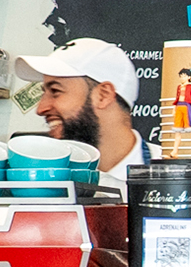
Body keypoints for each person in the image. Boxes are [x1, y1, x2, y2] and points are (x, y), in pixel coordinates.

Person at [19, 38, 143, 181]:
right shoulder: (39, 177)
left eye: (55, 91)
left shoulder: (172, 176)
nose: (41, 109)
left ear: (103, 95)